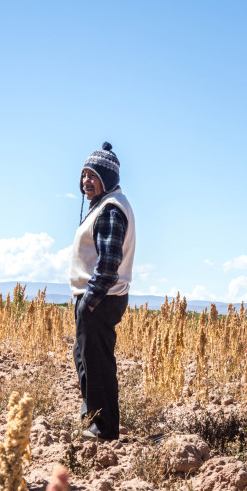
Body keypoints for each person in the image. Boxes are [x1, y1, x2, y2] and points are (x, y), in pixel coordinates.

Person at [69, 142, 135, 441]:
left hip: (100, 297)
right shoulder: (107, 205)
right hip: (99, 297)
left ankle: (102, 429)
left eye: (93, 175)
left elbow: (109, 263)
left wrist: (90, 301)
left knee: (95, 364)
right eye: (84, 175)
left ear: (107, 179)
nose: (86, 181)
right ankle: (96, 422)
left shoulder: (110, 210)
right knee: (88, 359)